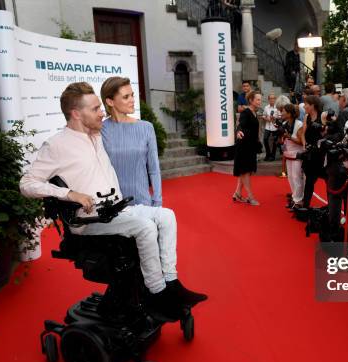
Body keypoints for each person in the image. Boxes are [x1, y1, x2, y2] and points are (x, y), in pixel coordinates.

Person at [19, 82, 207, 320]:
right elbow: (26, 184)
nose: (101, 113)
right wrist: (69, 194)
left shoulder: (96, 135)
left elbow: (122, 128)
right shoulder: (57, 145)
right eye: (96, 108)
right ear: (77, 113)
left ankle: (170, 282)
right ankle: (157, 292)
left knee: (166, 216)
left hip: (116, 211)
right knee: (145, 227)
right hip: (90, 220)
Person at [99, 77, 162, 208]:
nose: (133, 100)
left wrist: (157, 200)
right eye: (126, 97)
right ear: (110, 101)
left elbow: (154, 169)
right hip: (113, 204)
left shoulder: (146, 128)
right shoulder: (100, 130)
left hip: (142, 202)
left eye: (132, 95)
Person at [233, 90, 262, 206]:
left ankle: (237, 193)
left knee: (246, 171)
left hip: (250, 146)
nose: (260, 101)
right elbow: (240, 124)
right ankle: (250, 196)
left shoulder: (255, 112)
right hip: (244, 146)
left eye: (260, 99)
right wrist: (238, 131)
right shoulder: (246, 112)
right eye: (258, 99)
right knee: (245, 171)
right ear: (251, 100)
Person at [300, 95, 325, 208]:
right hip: (309, 153)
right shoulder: (306, 117)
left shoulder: (323, 116)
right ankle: (306, 205)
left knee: (325, 179)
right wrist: (304, 145)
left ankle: (331, 208)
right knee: (309, 181)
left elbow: (326, 133)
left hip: (320, 153)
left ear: (313, 105)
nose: (304, 106)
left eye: (306, 104)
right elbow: (303, 133)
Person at [279, 103, 305, 209]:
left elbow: (301, 142)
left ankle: (298, 200)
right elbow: (283, 141)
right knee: (290, 177)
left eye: (283, 111)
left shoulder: (298, 124)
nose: (281, 113)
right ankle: (295, 198)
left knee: (297, 177)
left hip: (297, 155)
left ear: (289, 113)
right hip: (288, 154)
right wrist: (282, 139)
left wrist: (289, 136)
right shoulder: (285, 123)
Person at [262, 94, 280, 161]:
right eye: (270, 98)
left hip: (275, 126)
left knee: (275, 141)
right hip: (268, 126)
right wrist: (266, 118)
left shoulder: (277, 107)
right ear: (268, 100)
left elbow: (280, 116)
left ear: (275, 99)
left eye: (273, 98)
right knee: (265, 139)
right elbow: (263, 115)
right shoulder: (266, 107)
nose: (272, 100)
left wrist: (275, 117)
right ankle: (268, 154)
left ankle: (273, 155)